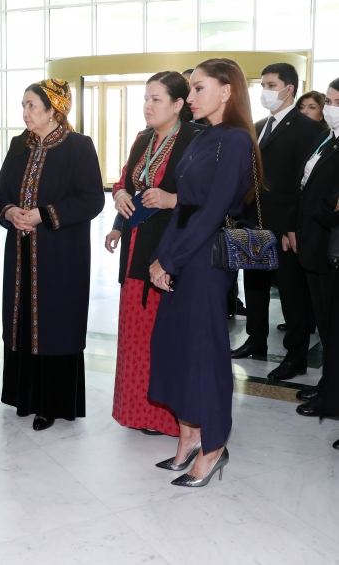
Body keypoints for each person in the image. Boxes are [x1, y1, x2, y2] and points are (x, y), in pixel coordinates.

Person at [148, 58, 260, 487]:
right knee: (175, 347)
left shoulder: (235, 140)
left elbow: (213, 212)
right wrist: (161, 257)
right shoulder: (202, 135)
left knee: (203, 355)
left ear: (226, 91)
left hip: (207, 263)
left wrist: (171, 260)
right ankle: (188, 436)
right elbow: (183, 205)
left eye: (198, 88)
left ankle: (213, 446)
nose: (190, 96)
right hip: (183, 253)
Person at [0, 79, 104, 431]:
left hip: (61, 254)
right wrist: (10, 211)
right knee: (21, 319)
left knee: (55, 322)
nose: (25, 112)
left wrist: (44, 215)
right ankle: (24, 396)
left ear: (54, 109)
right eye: (23, 105)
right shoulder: (20, 145)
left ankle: (51, 403)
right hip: (20, 253)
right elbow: (1, 191)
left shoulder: (78, 146)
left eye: (31, 105)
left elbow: (92, 199)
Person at [108, 72, 200, 437]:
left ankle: (169, 417)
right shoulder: (143, 138)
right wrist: (119, 199)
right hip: (136, 245)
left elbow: (211, 195)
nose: (147, 106)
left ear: (178, 105)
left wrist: (173, 199)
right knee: (135, 331)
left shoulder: (195, 139)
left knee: (165, 334)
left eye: (156, 99)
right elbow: (125, 181)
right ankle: (137, 411)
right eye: (145, 98)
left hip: (172, 248)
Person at [230, 63, 326, 381]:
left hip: (285, 225)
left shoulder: (307, 129)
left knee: (291, 291)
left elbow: (305, 184)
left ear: (289, 88)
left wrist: (292, 226)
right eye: (263, 85)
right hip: (254, 221)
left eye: (271, 85)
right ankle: (255, 338)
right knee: (254, 283)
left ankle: (296, 355)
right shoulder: (258, 126)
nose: (265, 91)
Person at [293, 78, 339, 447]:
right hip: (316, 241)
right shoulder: (329, 138)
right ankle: (328, 386)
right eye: (330, 101)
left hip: (329, 243)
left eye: (337, 102)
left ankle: (332, 395)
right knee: (327, 326)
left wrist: (325, 211)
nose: (330, 108)